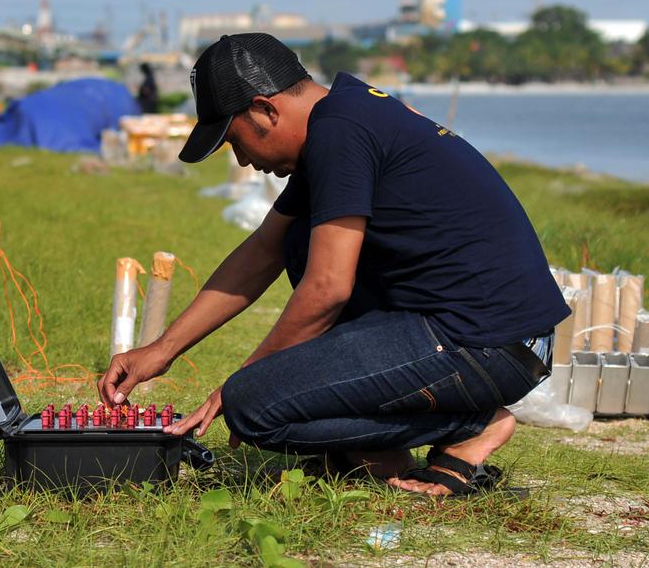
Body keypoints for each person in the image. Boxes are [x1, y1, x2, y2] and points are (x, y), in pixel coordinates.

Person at [98, 33, 567, 496]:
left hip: (486, 343)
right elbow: (262, 251)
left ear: (265, 109)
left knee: (251, 406)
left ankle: (471, 425)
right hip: (481, 333)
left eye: (235, 141)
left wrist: (242, 382)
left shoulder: (340, 132)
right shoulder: (342, 113)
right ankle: (383, 451)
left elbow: (328, 288)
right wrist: (162, 350)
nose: (241, 158)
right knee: (296, 240)